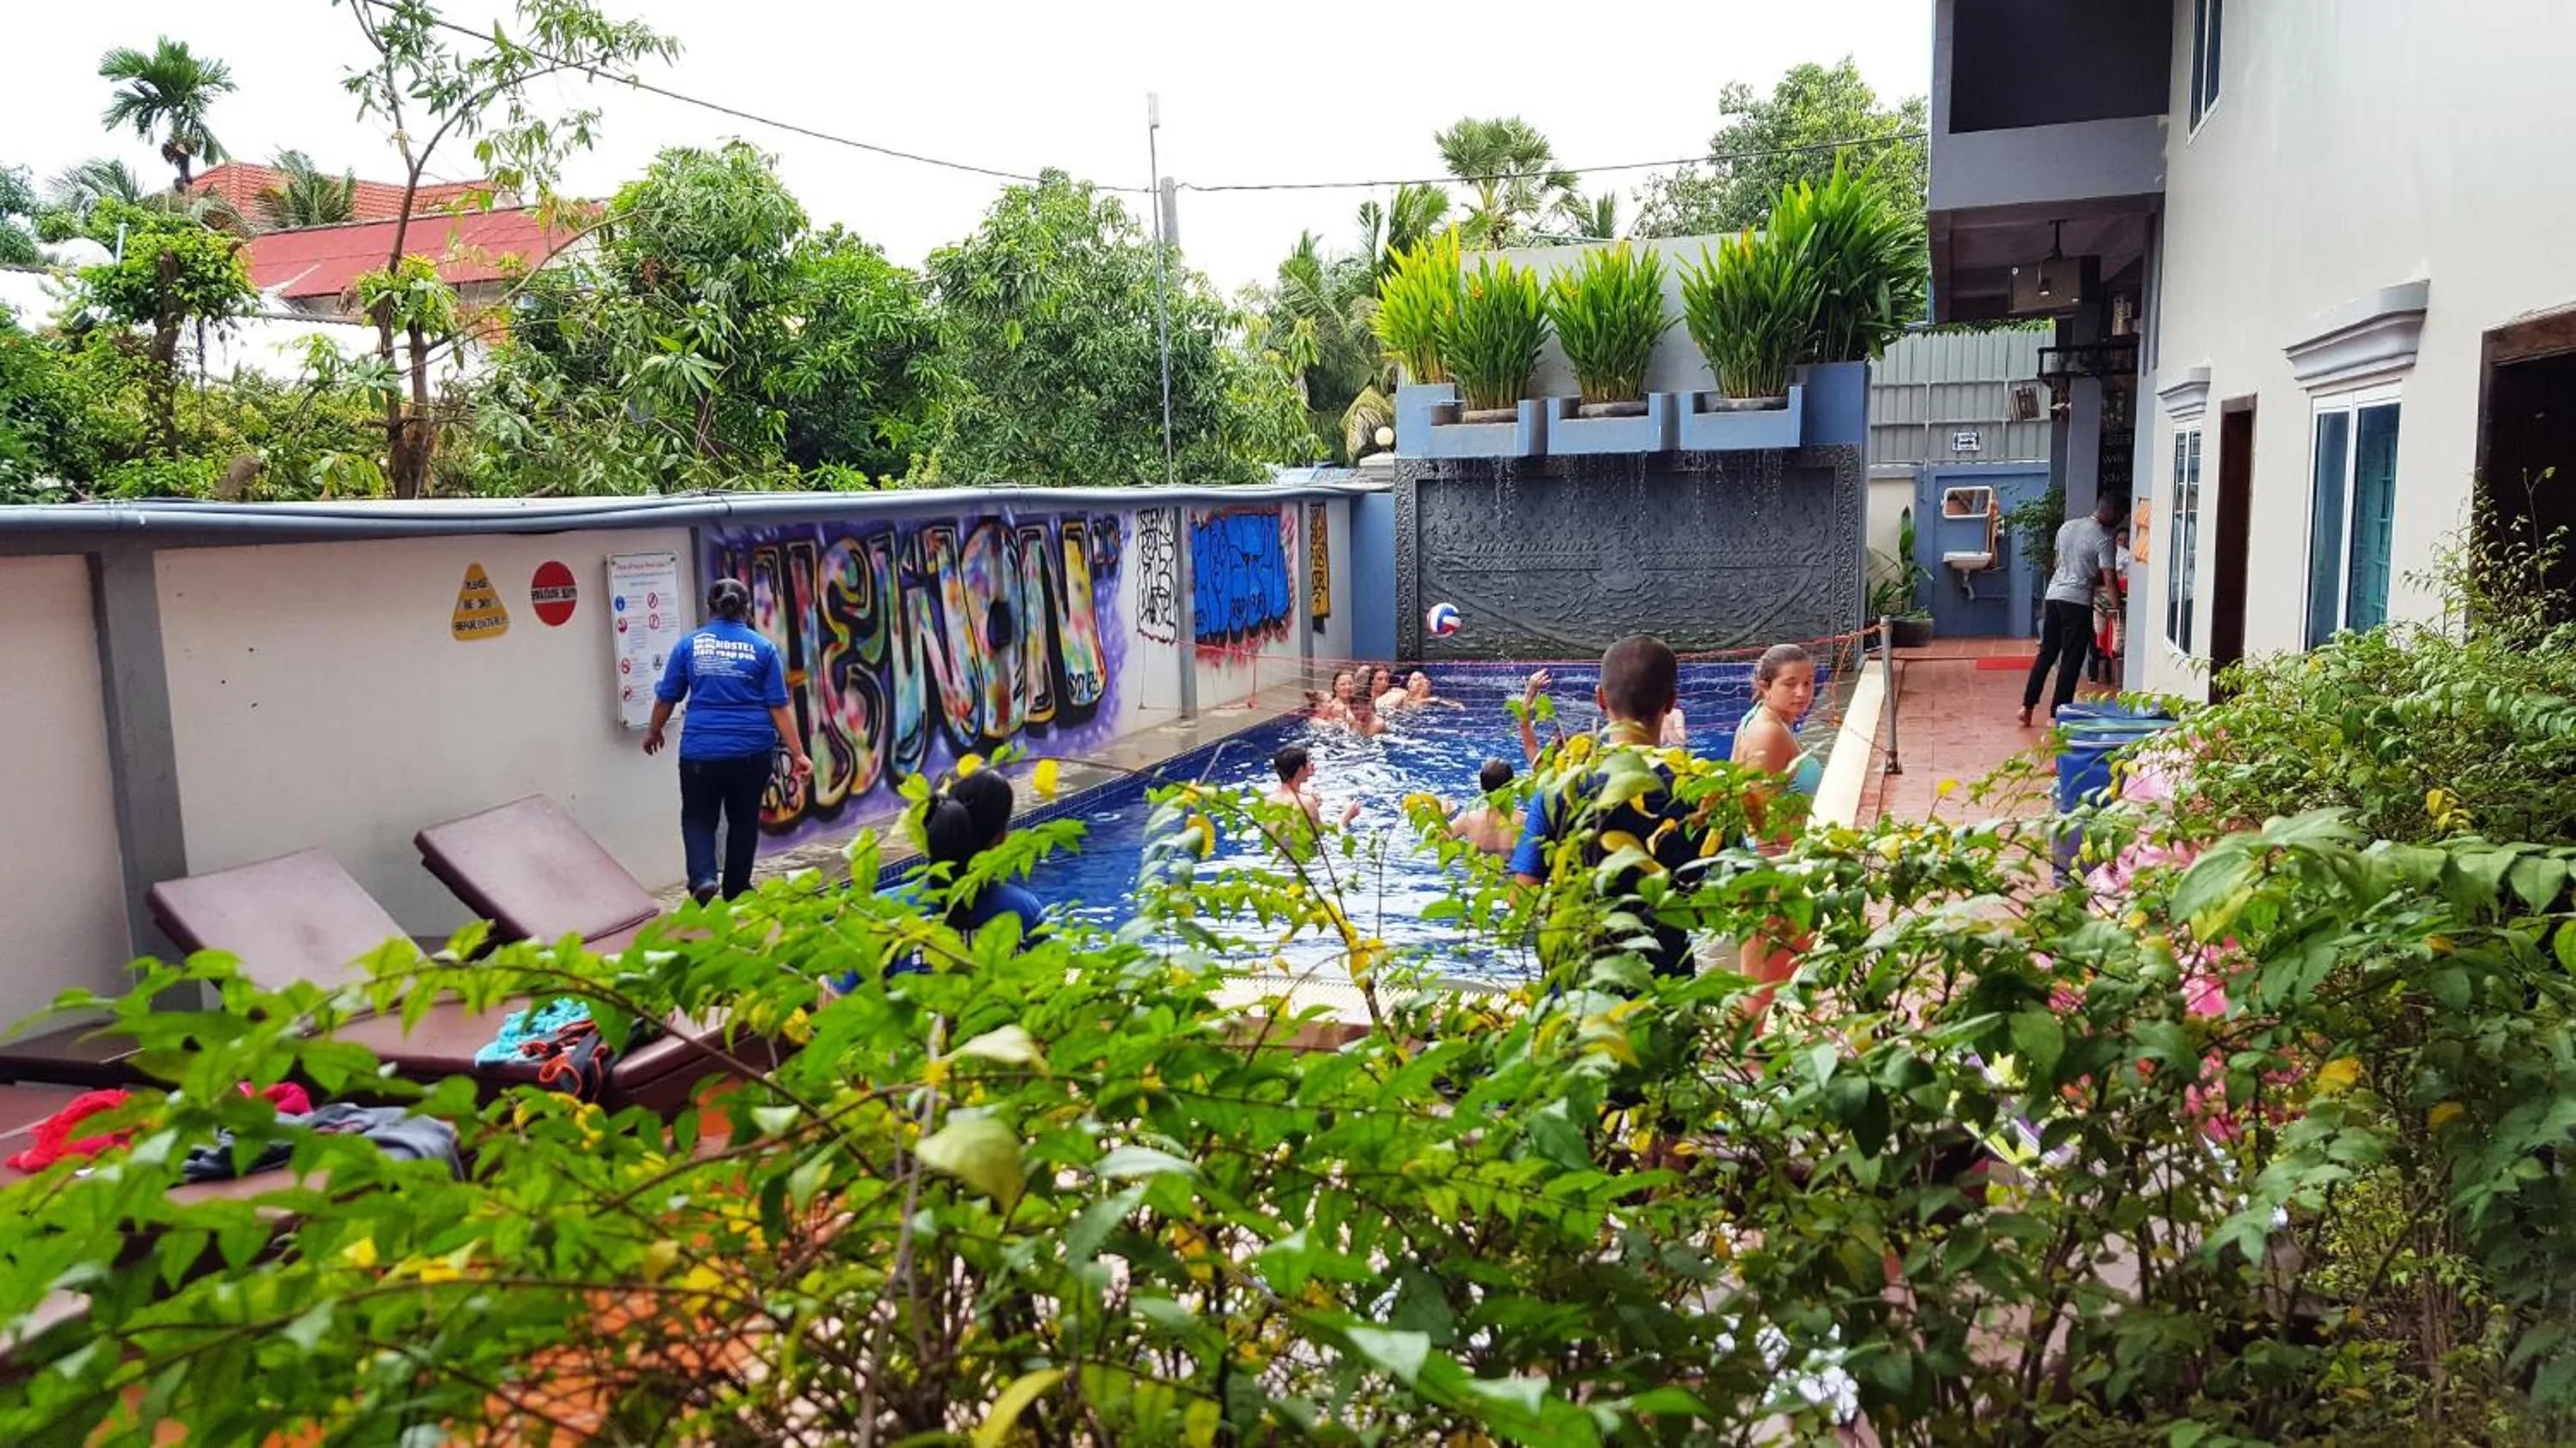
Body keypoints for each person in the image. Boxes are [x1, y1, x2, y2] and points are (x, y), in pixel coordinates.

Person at [1510, 635, 1707, 980]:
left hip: (1577, 984)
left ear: (1600, 699)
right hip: (1666, 987)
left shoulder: (1559, 788)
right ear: (1672, 702)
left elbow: (1521, 897)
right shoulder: (1698, 791)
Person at [644, 578, 812, 903]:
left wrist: (654, 731)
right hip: (751, 751)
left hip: (700, 751)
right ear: (747, 609)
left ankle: (704, 877)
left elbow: (667, 697)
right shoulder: (763, 649)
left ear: (711, 608)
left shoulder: (688, 645)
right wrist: (799, 753)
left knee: (697, 816)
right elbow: (778, 707)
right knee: (744, 818)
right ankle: (737, 887)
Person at [1731, 643, 1825, 1020]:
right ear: (1764, 685)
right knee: (1758, 992)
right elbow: (1756, 817)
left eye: (1809, 682)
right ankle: (1739, 1070)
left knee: (1783, 981)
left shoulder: (1766, 720)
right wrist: (1781, 888)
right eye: (1791, 684)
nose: (1802, 693)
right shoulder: (1767, 733)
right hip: (1769, 875)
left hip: (1775, 871)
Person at [2020, 493, 2125, 727]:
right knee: (2071, 659)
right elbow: (2109, 578)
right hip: (2076, 602)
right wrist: (2118, 607)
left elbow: (2061, 562)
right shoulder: (2104, 538)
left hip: (2054, 596)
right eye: (2119, 515)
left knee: (2047, 653)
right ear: (2109, 511)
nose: (2120, 521)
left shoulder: (2067, 527)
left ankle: (2026, 707)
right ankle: (2056, 715)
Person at [1270, 744, 1362, 832]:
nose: (1312, 764)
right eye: (1309, 761)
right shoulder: (1305, 802)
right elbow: (1327, 835)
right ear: (1300, 769)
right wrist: (1347, 815)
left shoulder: (1268, 800)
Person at [1449, 758, 1519, 854]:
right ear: (1512, 784)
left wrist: (1443, 815)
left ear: (1481, 786)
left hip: (1479, 865)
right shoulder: (1524, 821)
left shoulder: (1467, 819)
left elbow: (1439, 839)